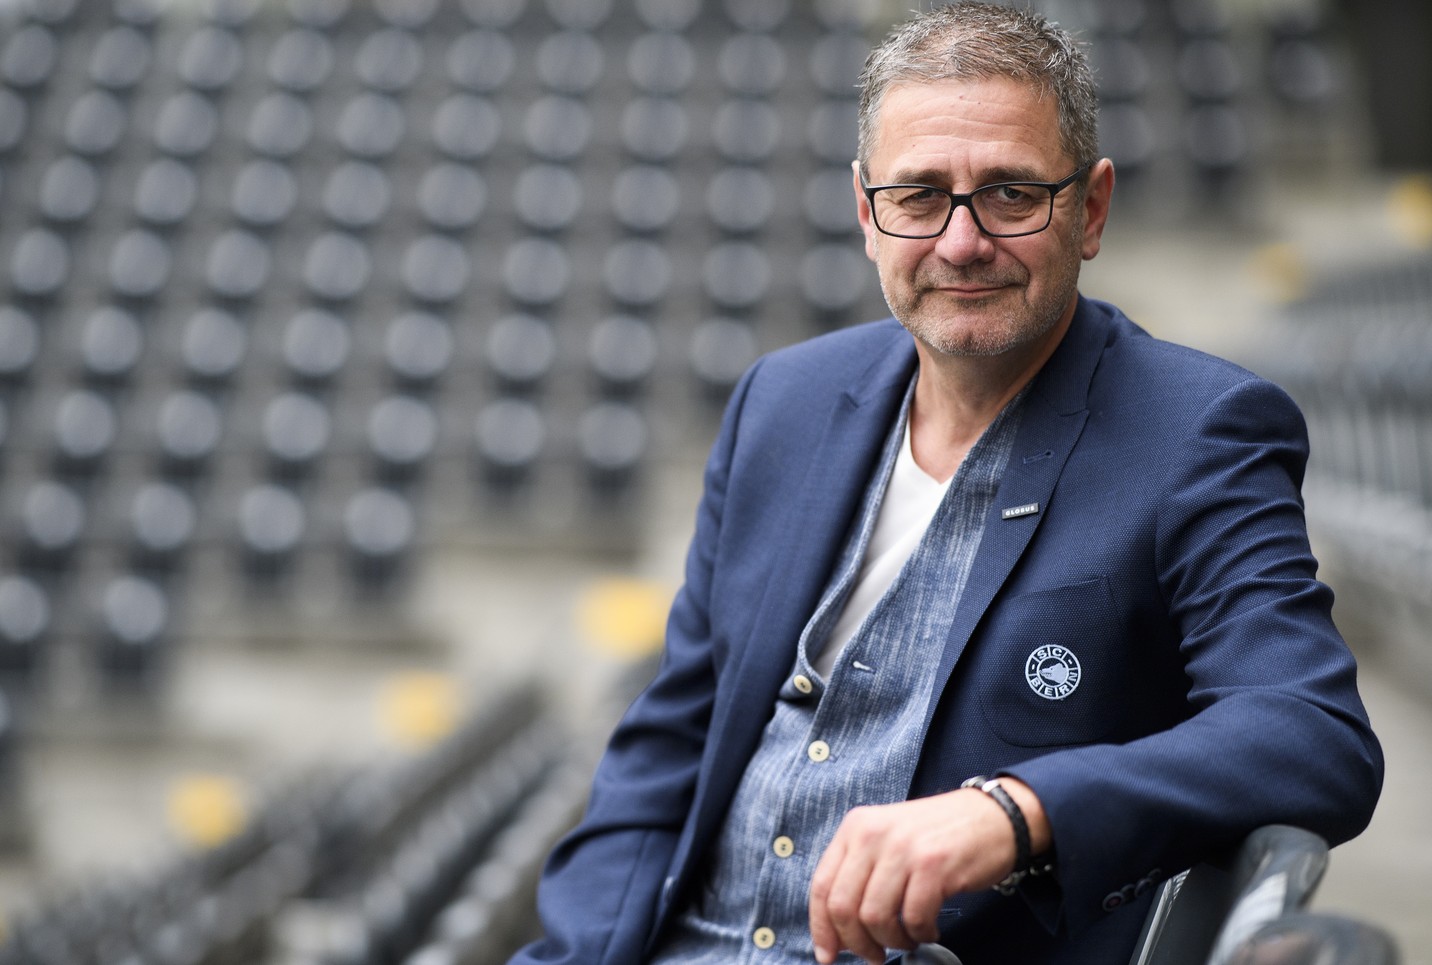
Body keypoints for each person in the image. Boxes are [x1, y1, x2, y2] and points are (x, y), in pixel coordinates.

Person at [509, 5, 1384, 964]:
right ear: (865, 211)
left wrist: (1016, 811)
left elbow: (1312, 733)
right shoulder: (781, 402)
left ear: (1089, 209)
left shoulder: (1201, 429)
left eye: (1010, 194)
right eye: (921, 196)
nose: (961, 243)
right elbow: (670, 740)